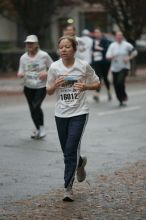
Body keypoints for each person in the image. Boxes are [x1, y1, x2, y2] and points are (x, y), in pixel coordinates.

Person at [46, 36, 100, 201]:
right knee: (67, 151)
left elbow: (97, 84)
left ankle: (67, 188)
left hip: (79, 112)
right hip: (60, 113)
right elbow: (48, 91)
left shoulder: (83, 66)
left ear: (74, 49)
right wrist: (55, 85)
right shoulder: (54, 67)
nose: (63, 49)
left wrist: (86, 86)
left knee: (70, 150)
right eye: (61, 47)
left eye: (67, 46)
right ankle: (80, 163)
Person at [17, 35, 53, 139]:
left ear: (37, 44)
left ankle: (41, 129)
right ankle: (38, 129)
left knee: (36, 106)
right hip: (28, 87)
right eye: (28, 43)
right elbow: (21, 70)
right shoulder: (23, 57)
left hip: (40, 87)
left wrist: (46, 73)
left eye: (32, 43)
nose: (29, 45)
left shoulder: (44, 55)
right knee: (32, 109)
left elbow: (54, 67)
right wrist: (20, 74)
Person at [106, 31, 138, 106]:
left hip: (124, 67)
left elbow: (135, 52)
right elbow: (107, 56)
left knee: (120, 82)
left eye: (120, 36)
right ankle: (120, 99)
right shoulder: (112, 45)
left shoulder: (127, 45)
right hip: (115, 68)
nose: (119, 37)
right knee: (116, 84)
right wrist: (111, 57)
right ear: (116, 37)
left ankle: (123, 96)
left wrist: (129, 58)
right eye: (117, 36)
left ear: (122, 37)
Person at [92, 28, 112, 102]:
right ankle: (97, 94)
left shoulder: (105, 40)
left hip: (105, 62)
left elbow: (106, 50)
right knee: (98, 78)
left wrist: (99, 48)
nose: (96, 34)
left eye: (98, 32)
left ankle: (109, 92)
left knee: (105, 78)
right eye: (95, 32)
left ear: (101, 33)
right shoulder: (93, 41)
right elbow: (92, 50)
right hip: (97, 62)